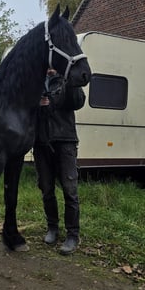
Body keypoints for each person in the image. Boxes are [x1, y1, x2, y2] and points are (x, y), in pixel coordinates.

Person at [34, 68, 86, 255]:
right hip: (41, 142)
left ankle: (73, 235)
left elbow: (78, 102)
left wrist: (69, 83)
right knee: (46, 189)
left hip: (65, 141)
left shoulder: (65, 79)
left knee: (70, 190)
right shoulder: (37, 79)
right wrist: (37, 103)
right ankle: (53, 228)